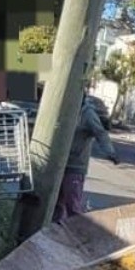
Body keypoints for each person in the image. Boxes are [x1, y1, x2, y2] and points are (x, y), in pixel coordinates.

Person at [53, 94, 119, 223]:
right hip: (59, 164)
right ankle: (58, 231)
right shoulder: (66, 108)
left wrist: (111, 153)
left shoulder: (87, 113)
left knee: (72, 206)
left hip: (75, 166)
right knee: (56, 205)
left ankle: (79, 232)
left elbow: (100, 133)